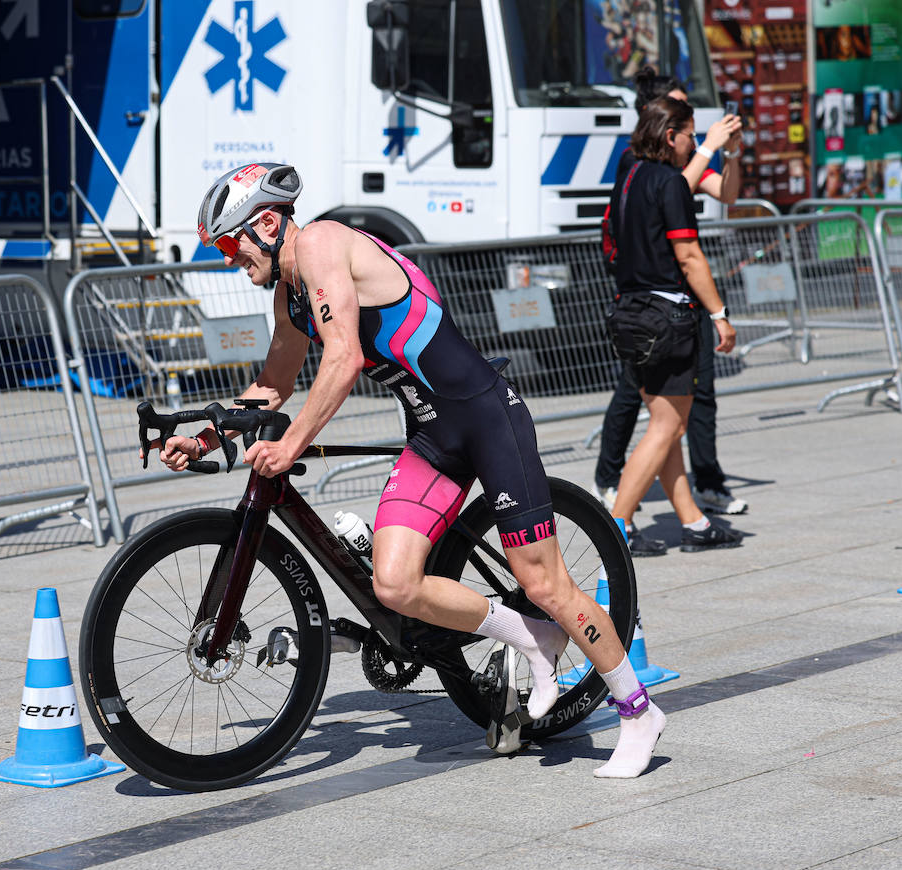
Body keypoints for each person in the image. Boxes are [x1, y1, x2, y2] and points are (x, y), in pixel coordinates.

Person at [153, 162, 665, 778]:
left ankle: (638, 712)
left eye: (230, 245)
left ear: (266, 223)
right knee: (394, 585)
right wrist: (206, 437)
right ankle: (533, 638)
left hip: (487, 421)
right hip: (432, 438)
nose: (229, 259)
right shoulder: (290, 293)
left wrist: (290, 446)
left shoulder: (318, 244)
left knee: (545, 583)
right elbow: (274, 383)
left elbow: (341, 359)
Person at [594, 68, 747, 557]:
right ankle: (617, 526)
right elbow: (689, 257)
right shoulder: (669, 183)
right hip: (667, 315)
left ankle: (694, 522)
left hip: (630, 311)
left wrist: (729, 153)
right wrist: (720, 313)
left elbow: (725, 191)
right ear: (669, 134)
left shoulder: (629, 174)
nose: (693, 143)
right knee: (666, 426)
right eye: (689, 135)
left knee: (666, 424)